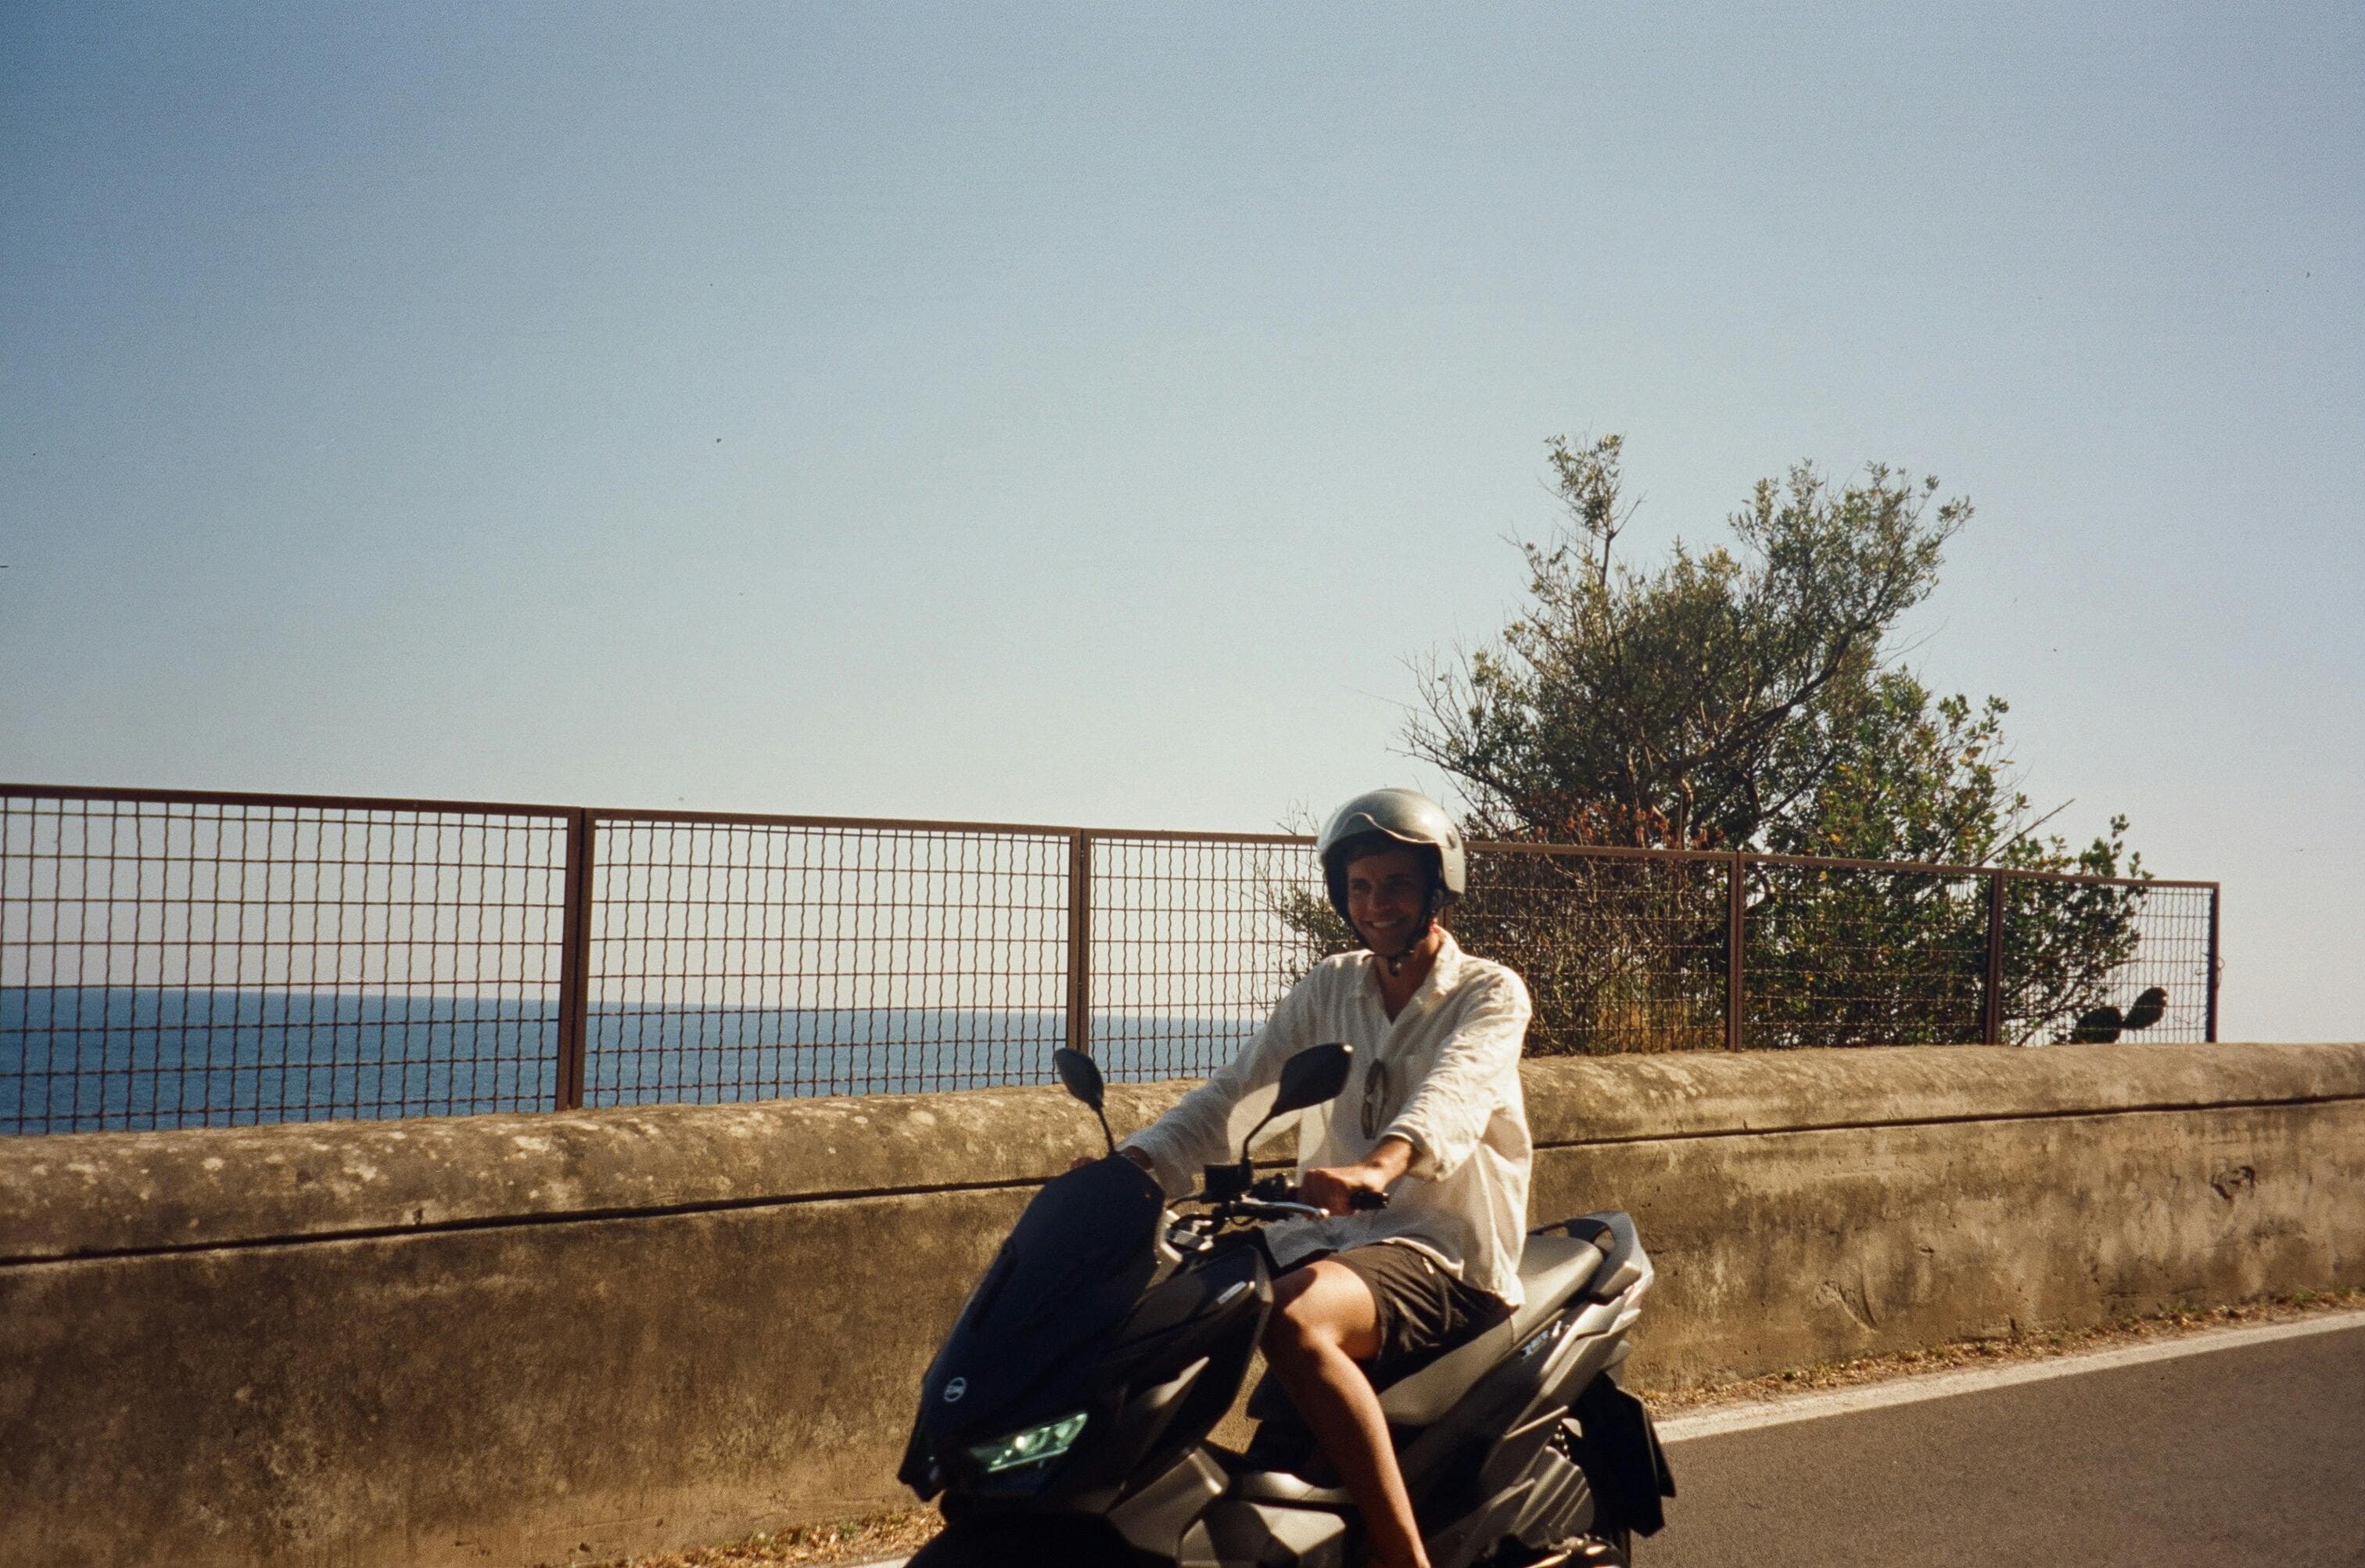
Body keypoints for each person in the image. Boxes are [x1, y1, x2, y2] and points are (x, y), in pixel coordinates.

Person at [1114, 788, 1534, 1568]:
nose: (1377, 903)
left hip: (1442, 1244)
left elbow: (1456, 1092)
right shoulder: (1330, 987)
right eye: (1361, 886)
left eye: (1398, 885)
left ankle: (1401, 1550)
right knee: (1167, 1301)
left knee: (1296, 1321)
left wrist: (1381, 1165)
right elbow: (1232, 1097)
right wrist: (1134, 1166)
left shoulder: (1487, 991)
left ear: (1436, 889)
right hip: (1329, 1237)